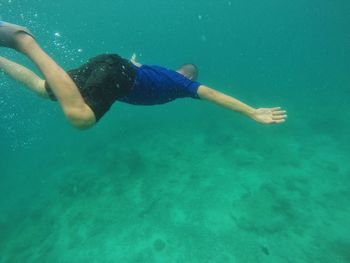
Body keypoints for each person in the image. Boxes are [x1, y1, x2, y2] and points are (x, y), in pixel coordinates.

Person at [0, 21, 287, 130]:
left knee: (41, 88)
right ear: (186, 76)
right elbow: (211, 94)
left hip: (111, 63)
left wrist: (132, 64)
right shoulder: (180, 85)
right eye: (187, 76)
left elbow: (134, 66)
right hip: (116, 73)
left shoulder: (162, 75)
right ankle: (24, 41)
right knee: (82, 119)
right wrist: (251, 112)